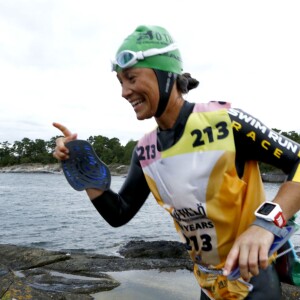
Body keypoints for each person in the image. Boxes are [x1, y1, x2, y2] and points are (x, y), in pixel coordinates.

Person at [53, 25, 300, 299]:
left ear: (165, 75)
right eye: (120, 82)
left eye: (131, 78)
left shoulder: (224, 123)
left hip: (253, 282)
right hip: (209, 285)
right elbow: (118, 213)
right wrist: (84, 170)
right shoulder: (145, 150)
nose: (124, 91)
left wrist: (266, 224)